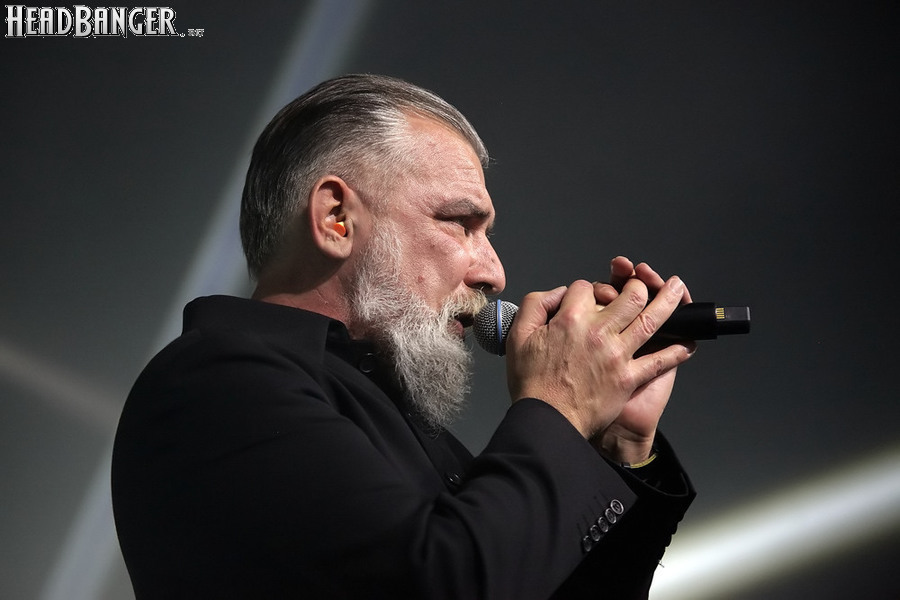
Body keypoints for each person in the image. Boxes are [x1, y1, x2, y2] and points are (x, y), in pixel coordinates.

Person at [112, 73, 697, 599]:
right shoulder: (216, 382)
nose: (494, 272)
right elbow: (439, 583)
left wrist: (617, 448)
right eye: (461, 223)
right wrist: (560, 405)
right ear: (337, 218)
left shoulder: (395, 418)